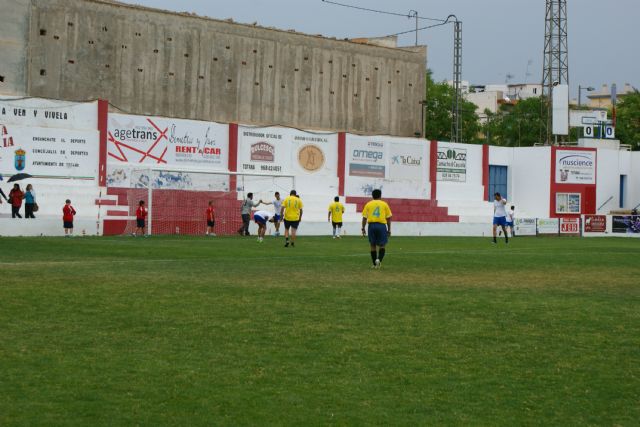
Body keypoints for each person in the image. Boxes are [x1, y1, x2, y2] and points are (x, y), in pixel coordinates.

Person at [361, 189, 392, 269]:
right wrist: (389, 229)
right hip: (381, 225)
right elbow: (388, 218)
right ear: (380, 196)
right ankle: (379, 260)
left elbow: (364, 218)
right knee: (382, 245)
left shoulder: (368, 204)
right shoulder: (384, 204)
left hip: (371, 225)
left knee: (372, 245)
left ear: (372, 196)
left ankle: (374, 264)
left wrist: (363, 228)